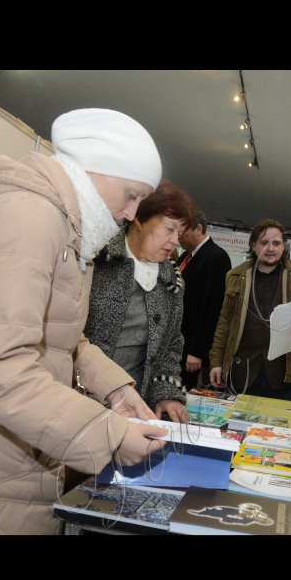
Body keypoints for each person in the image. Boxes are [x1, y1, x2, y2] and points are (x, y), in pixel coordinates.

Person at [0, 108, 171, 535]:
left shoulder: (62, 223)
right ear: (95, 170)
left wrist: (115, 389)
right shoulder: (27, 216)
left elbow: (60, 338)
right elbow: (1, 371)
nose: (132, 213)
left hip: (18, 441)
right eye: (131, 194)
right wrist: (109, 435)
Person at [84, 180, 195, 423]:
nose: (175, 240)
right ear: (140, 218)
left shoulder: (172, 282)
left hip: (136, 411)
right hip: (83, 405)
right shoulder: (94, 260)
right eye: (169, 229)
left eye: (180, 232)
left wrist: (166, 394)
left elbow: (171, 346)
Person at [209, 220, 291, 402]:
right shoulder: (235, 276)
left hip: (283, 375)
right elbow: (224, 323)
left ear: (283, 245)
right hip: (241, 373)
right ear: (253, 245)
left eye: (276, 243)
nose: (270, 248)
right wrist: (216, 362)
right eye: (264, 243)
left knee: (279, 429)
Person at [177, 208, 232, 391]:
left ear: (198, 229)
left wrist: (197, 351)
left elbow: (212, 309)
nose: (178, 237)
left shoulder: (217, 257)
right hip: (177, 344)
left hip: (192, 347)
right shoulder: (186, 256)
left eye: (181, 232)